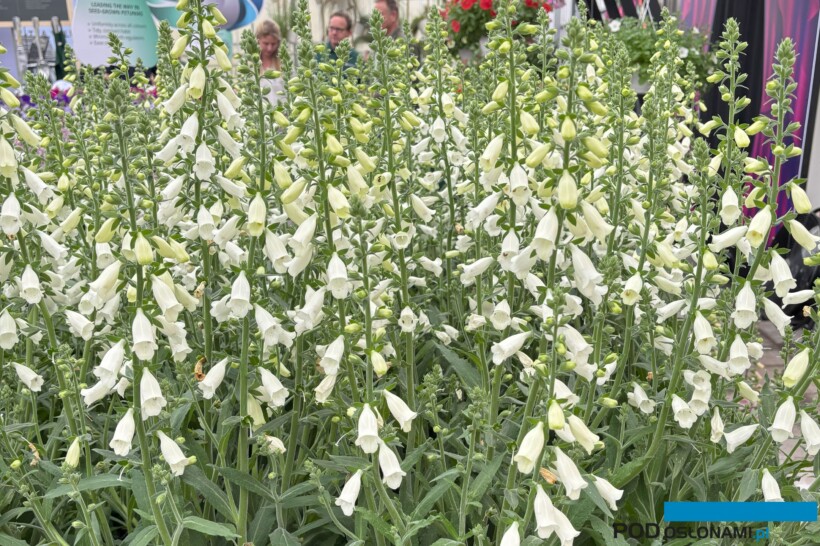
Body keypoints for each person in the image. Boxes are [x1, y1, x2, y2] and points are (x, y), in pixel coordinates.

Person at [256, 20, 285, 105]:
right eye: (266, 43)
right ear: (258, 40)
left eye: (273, 44)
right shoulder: (250, 65)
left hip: (282, 111)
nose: (270, 48)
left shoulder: (283, 63)